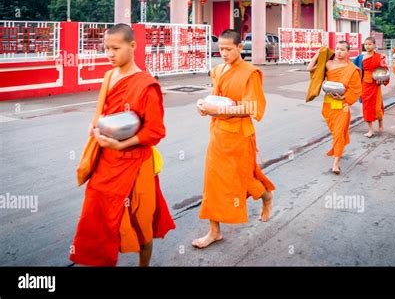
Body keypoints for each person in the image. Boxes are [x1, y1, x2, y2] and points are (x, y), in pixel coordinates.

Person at [70, 23, 175, 266]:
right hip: (106, 161)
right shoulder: (109, 76)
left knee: (141, 219)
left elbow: (155, 131)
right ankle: (102, 259)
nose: (110, 53)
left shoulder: (146, 85)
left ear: (132, 46)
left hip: (136, 164)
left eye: (115, 48)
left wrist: (122, 144)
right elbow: (102, 112)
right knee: (97, 215)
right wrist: (95, 126)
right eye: (106, 48)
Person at [192, 29, 275, 249]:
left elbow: (251, 107)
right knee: (213, 182)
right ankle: (214, 231)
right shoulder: (218, 70)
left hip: (239, 135)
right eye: (221, 49)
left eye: (229, 49)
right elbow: (216, 99)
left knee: (243, 179)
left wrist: (215, 108)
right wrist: (204, 107)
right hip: (218, 134)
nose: (224, 53)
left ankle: (265, 197)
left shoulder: (250, 73)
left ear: (240, 47)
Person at [307, 41, 362, 174]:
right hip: (329, 103)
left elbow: (356, 89)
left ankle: (336, 163)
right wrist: (318, 53)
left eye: (342, 49)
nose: (339, 51)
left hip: (342, 104)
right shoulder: (329, 64)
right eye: (337, 49)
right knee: (335, 131)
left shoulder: (352, 69)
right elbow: (310, 68)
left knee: (338, 132)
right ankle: (339, 148)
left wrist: (344, 98)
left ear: (348, 52)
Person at [356, 37, 390, 138]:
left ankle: (380, 122)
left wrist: (383, 80)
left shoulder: (380, 57)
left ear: (374, 45)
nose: (367, 46)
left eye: (370, 44)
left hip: (376, 83)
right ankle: (370, 129)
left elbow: (385, 70)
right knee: (366, 107)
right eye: (366, 44)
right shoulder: (360, 58)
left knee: (377, 106)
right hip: (365, 84)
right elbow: (353, 68)